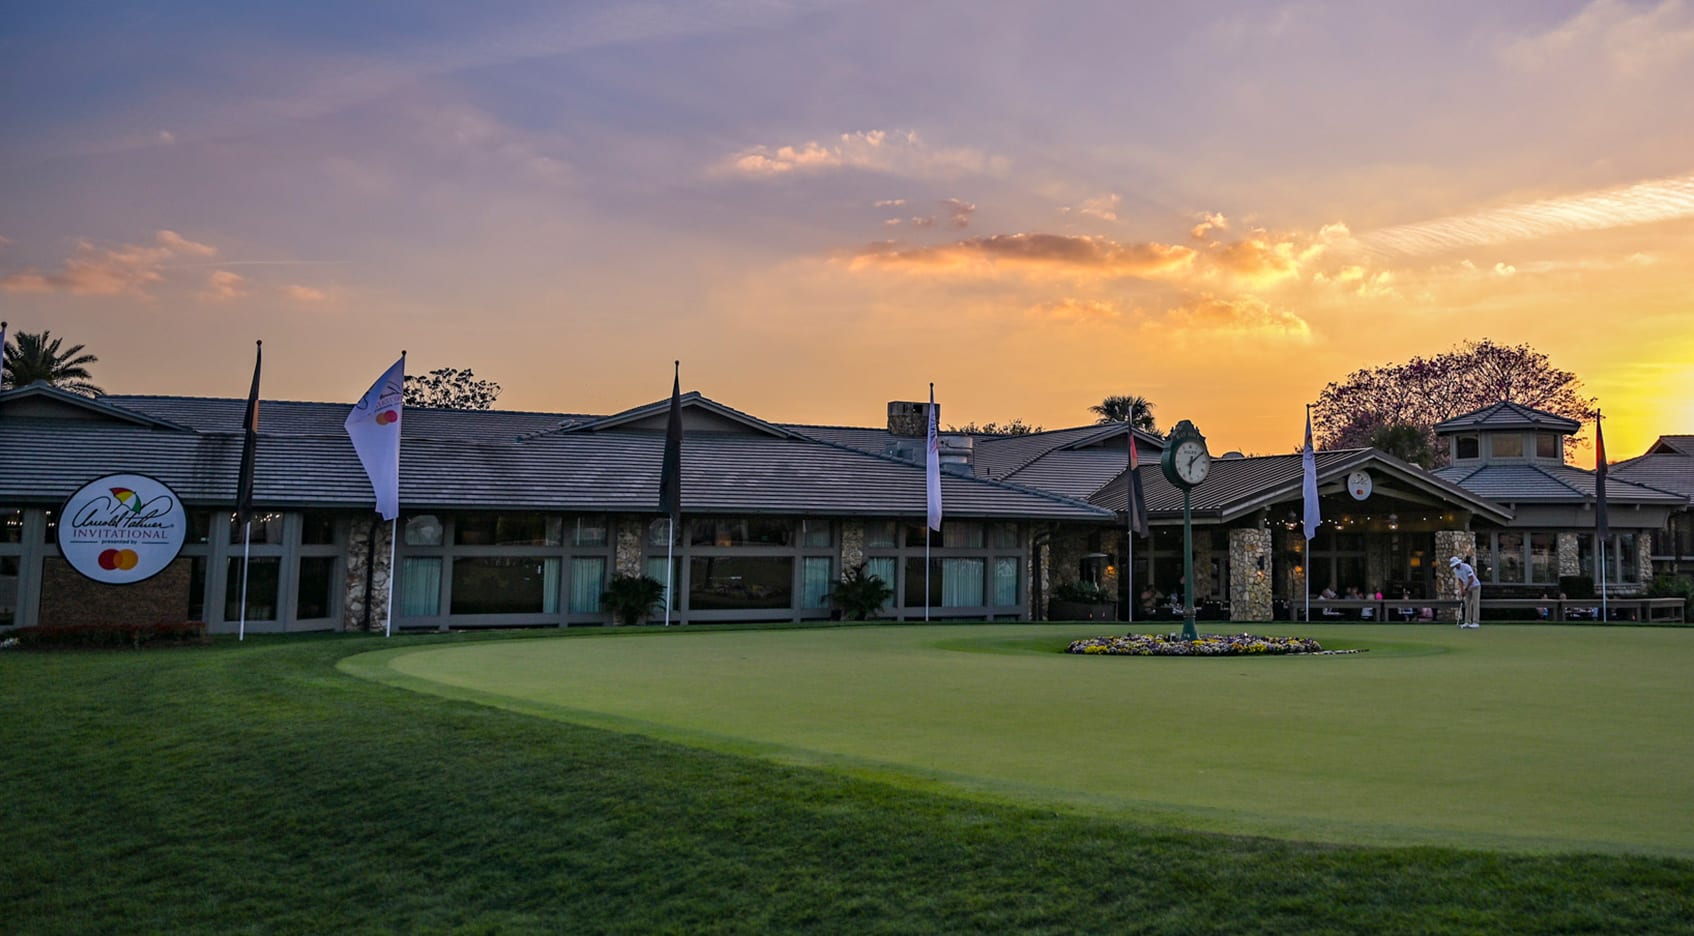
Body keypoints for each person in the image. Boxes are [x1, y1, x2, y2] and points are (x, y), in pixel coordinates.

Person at [1450, 555, 1481, 628]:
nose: (1455, 566)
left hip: (1475, 586)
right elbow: (1460, 580)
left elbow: (1471, 578)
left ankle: (1476, 622)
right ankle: (1467, 622)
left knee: (1475, 604)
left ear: (1458, 563)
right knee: (1467, 604)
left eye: (1456, 565)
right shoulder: (1455, 570)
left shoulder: (1466, 567)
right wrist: (1461, 590)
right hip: (1467, 587)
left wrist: (1466, 588)